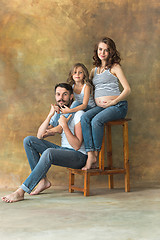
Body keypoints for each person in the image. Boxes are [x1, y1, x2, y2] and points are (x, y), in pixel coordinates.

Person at [1, 83, 87, 203]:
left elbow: (77, 145)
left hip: (78, 156)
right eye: (58, 94)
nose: (61, 98)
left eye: (65, 94)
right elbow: (39, 136)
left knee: (49, 153)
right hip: (64, 151)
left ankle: (21, 191)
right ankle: (42, 181)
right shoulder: (59, 114)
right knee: (29, 141)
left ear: (71, 96)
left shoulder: (79, 114)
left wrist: (64, 126)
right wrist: (50, 115)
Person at [81, 37, 131, 170]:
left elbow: (127, 89)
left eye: (106, 50)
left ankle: (95, 155)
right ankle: (90, 153)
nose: (102, 52)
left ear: (111, 52)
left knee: (96, 121)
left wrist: (113, 102)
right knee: (84, 117)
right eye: (100, 49)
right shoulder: (93, 71)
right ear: (97, 51)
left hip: (117, 106)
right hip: (100, 107)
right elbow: (89, 89)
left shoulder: (115, 67)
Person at [50, 63, 96, 128]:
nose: (77, 74)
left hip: (89, 108)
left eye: (80, 72)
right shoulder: (72, 86)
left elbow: (84, 105)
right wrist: (60, 107)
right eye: (75, 72)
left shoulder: (86, 87)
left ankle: (61, 126)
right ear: (72, 74)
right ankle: (52, 125)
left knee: (76, 103)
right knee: (59, 106)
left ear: (84, 75)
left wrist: (70, 110)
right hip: (78, 107)